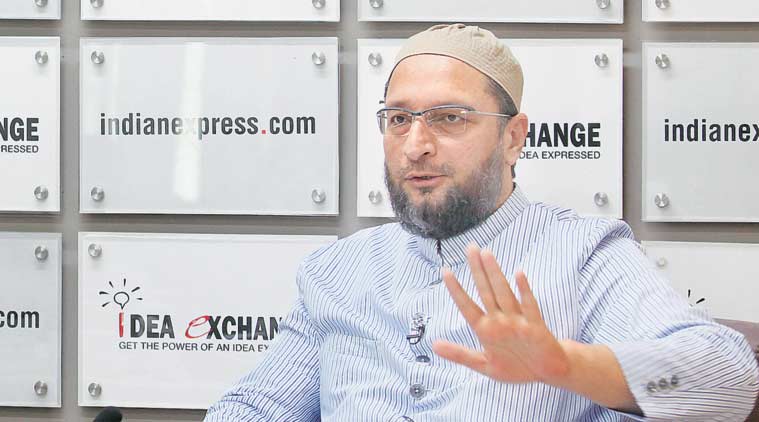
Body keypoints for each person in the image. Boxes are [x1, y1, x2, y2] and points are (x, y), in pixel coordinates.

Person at [204, 24, 759, 421]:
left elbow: (727, 379)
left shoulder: (583, 253)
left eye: (449, 118)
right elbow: (257, 406)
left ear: (513, 138)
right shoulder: (336, 270)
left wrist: (568, 365)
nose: (415, 146)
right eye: (398, 119)